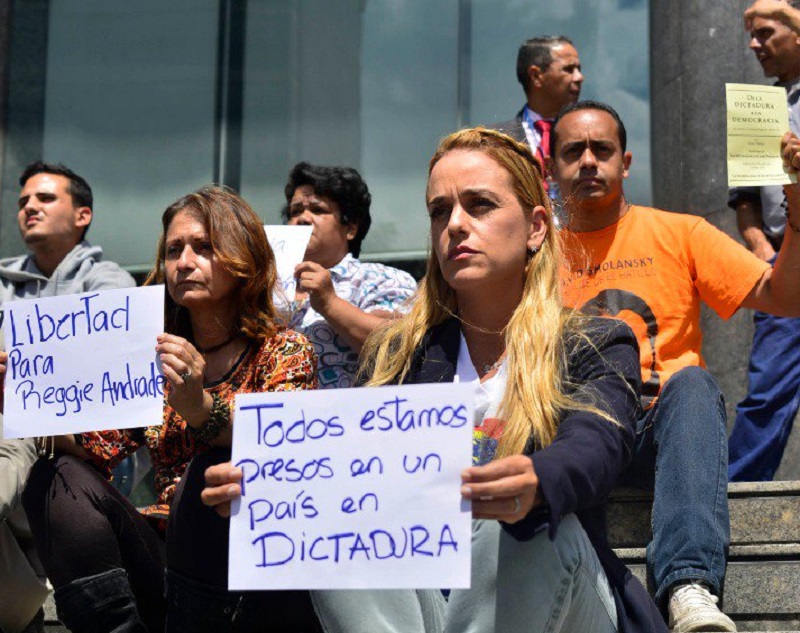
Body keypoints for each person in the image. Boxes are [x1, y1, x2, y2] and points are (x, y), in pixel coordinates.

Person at [202, 128, 666, 633]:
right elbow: (346, 471)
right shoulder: (401, 358)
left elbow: (597, 443)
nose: (456, 226)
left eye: (480, 205)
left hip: (560, 598)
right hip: (425, 607)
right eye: (440, 211)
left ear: (536, 228)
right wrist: (270, 487)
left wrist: (536, 481)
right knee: (341, 518)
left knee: (514, 527)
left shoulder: (595, 342)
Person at [19, 186, 317, 633]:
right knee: (55, 474)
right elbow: (93, 448)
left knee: (213, 467)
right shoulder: (151, 356)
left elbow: (280, 439)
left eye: (204, 248)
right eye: (174, 249)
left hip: (248, 577)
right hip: (162, 564)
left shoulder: (285, 350)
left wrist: (199, 406)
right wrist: (22, 402)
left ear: (244, 259)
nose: (184, 263)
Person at [551, 100, 800, 631]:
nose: (589, 161)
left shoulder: (680, 232)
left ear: (627, 161)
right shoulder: (532, 253)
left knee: (692, 382)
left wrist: (795, 207)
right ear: (553, 167)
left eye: (603, 149)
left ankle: (689, 587)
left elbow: (785, 295)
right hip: (574, 434)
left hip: (660, 430)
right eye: (574, 151)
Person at [0, 161, 135, 633]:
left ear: (83, 215)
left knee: (18, 419)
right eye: (22, 203)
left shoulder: (112, 284)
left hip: (72, 447)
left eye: (44, 198)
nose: (29, 208)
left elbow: (108, 386)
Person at [727, 0, 800, 481]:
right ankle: (731, 494)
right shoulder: (760, 107)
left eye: (766, 32)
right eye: (751, 34)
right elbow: (744, 198)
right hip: (785, 263)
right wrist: (758, 244)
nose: (755, 45)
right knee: (767, 389)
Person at [281, 162, 417, 388]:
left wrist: (330, 303)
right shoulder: (268, 287)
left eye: (318, 210)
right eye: (295, 211)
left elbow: (397, 347)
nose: (302, 219)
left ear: (350, 227)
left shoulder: (382, 279)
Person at [492, 35, 583, 200]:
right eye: (569, 69)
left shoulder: (589, 136)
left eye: (579, 69)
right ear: (536, 75)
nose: (579, 77)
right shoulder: (496, 142)